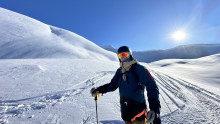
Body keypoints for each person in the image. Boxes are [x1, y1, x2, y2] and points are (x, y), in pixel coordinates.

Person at [90, 46, 161, 124]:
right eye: (120, 56)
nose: (123, 57)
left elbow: (152, 86)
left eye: (125, 55)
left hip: (138, 113)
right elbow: (112, 85)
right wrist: (99, 89)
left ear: (130, 55)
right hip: (126, 113)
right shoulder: (119, 71)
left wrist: (154, 109)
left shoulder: (138, 68)